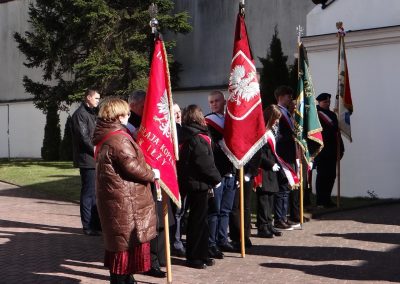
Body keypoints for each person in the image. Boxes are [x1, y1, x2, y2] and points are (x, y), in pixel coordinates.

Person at [93, 97, 158, 284]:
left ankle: (127, 279)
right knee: (123, 248)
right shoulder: (118, 138)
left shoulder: (107, 134)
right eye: (126, 113)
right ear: (118, 115)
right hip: (124, 200)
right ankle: (123, 280)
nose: (129, 116)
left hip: (116, 198)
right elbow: (132, 166)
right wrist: (152, 173)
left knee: (120, 247)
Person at [127, 90, 171, 278]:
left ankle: (160, 257)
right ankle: (149, 261)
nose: (149, 109)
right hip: (141, 180)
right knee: (148, 223)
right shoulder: (129, 128)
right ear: (133, 106)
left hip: (157, 176)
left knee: (161, 218)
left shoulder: (150, 122)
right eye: (145, 106)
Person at [178, 104, 222, 269]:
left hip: (195, 183)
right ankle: (194, 256)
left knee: (200, 221)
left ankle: (202, 253)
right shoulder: (196, 137)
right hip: (197, 184)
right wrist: (216, 179)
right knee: (197, 222)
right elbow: (204, 162)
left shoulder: (190, 134)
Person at [204, 91, 237, 258]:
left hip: (230, 171)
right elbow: (211, 147)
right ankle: (212, 243)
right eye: (211, 102)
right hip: (217, 172)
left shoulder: (230, 120)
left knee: (226, 209)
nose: (214, 104)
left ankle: (223, 239)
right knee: (214, 211)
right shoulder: (208, 121)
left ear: (224, 101)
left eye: (217, 101)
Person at [71, 89, 102, 236]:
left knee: (95, 193)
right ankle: (87, 225)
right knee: (88, 193)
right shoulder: (80, 115)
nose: (98, 101)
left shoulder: (93, 113)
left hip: (95, 158)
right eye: (96, 98)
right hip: (87, 160)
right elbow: (84, 139)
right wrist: (98, 150)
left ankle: (95, 224)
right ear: (88, 98)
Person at [256, 105, 285, 238]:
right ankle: (262, 227)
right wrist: (270, 164)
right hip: (264, 169)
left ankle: (269, 224)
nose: (277, 121)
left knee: (271, 198)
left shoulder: (271, 131)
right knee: (263, 200)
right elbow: (259, 154)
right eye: (276, 118)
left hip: (272, 170)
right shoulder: (261, 132)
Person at [274, 86, 300, 230]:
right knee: (282, 188)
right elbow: (276, 135)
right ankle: (279, 219)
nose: (290, 98)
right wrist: (290, 137)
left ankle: (284, 217)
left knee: (287, 188)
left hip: (289, 154)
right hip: (282, 154)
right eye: (288, 95)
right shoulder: (278, 112)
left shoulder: (287, 113)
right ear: (281, 96)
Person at [315, 93, 344, 208]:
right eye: (325, 102)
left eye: (328, 102)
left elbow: (337, 133)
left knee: (331, 176)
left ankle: (327, 199)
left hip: (332, 150)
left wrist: (340, 147)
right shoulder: (316, 115)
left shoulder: (332, 114)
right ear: (319, 102)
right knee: (322, 176)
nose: (327, 104)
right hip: (322, 151)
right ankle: (320, 201)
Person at [170, 102, 187, 257]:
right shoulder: (172, 131)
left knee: (182, 212)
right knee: (177, 212)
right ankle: (175, 242)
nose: (178, 114)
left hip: (185, 177)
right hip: (174, 177)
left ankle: (179, 238)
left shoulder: (183, 129)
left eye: (179, 111)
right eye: (174, 112)